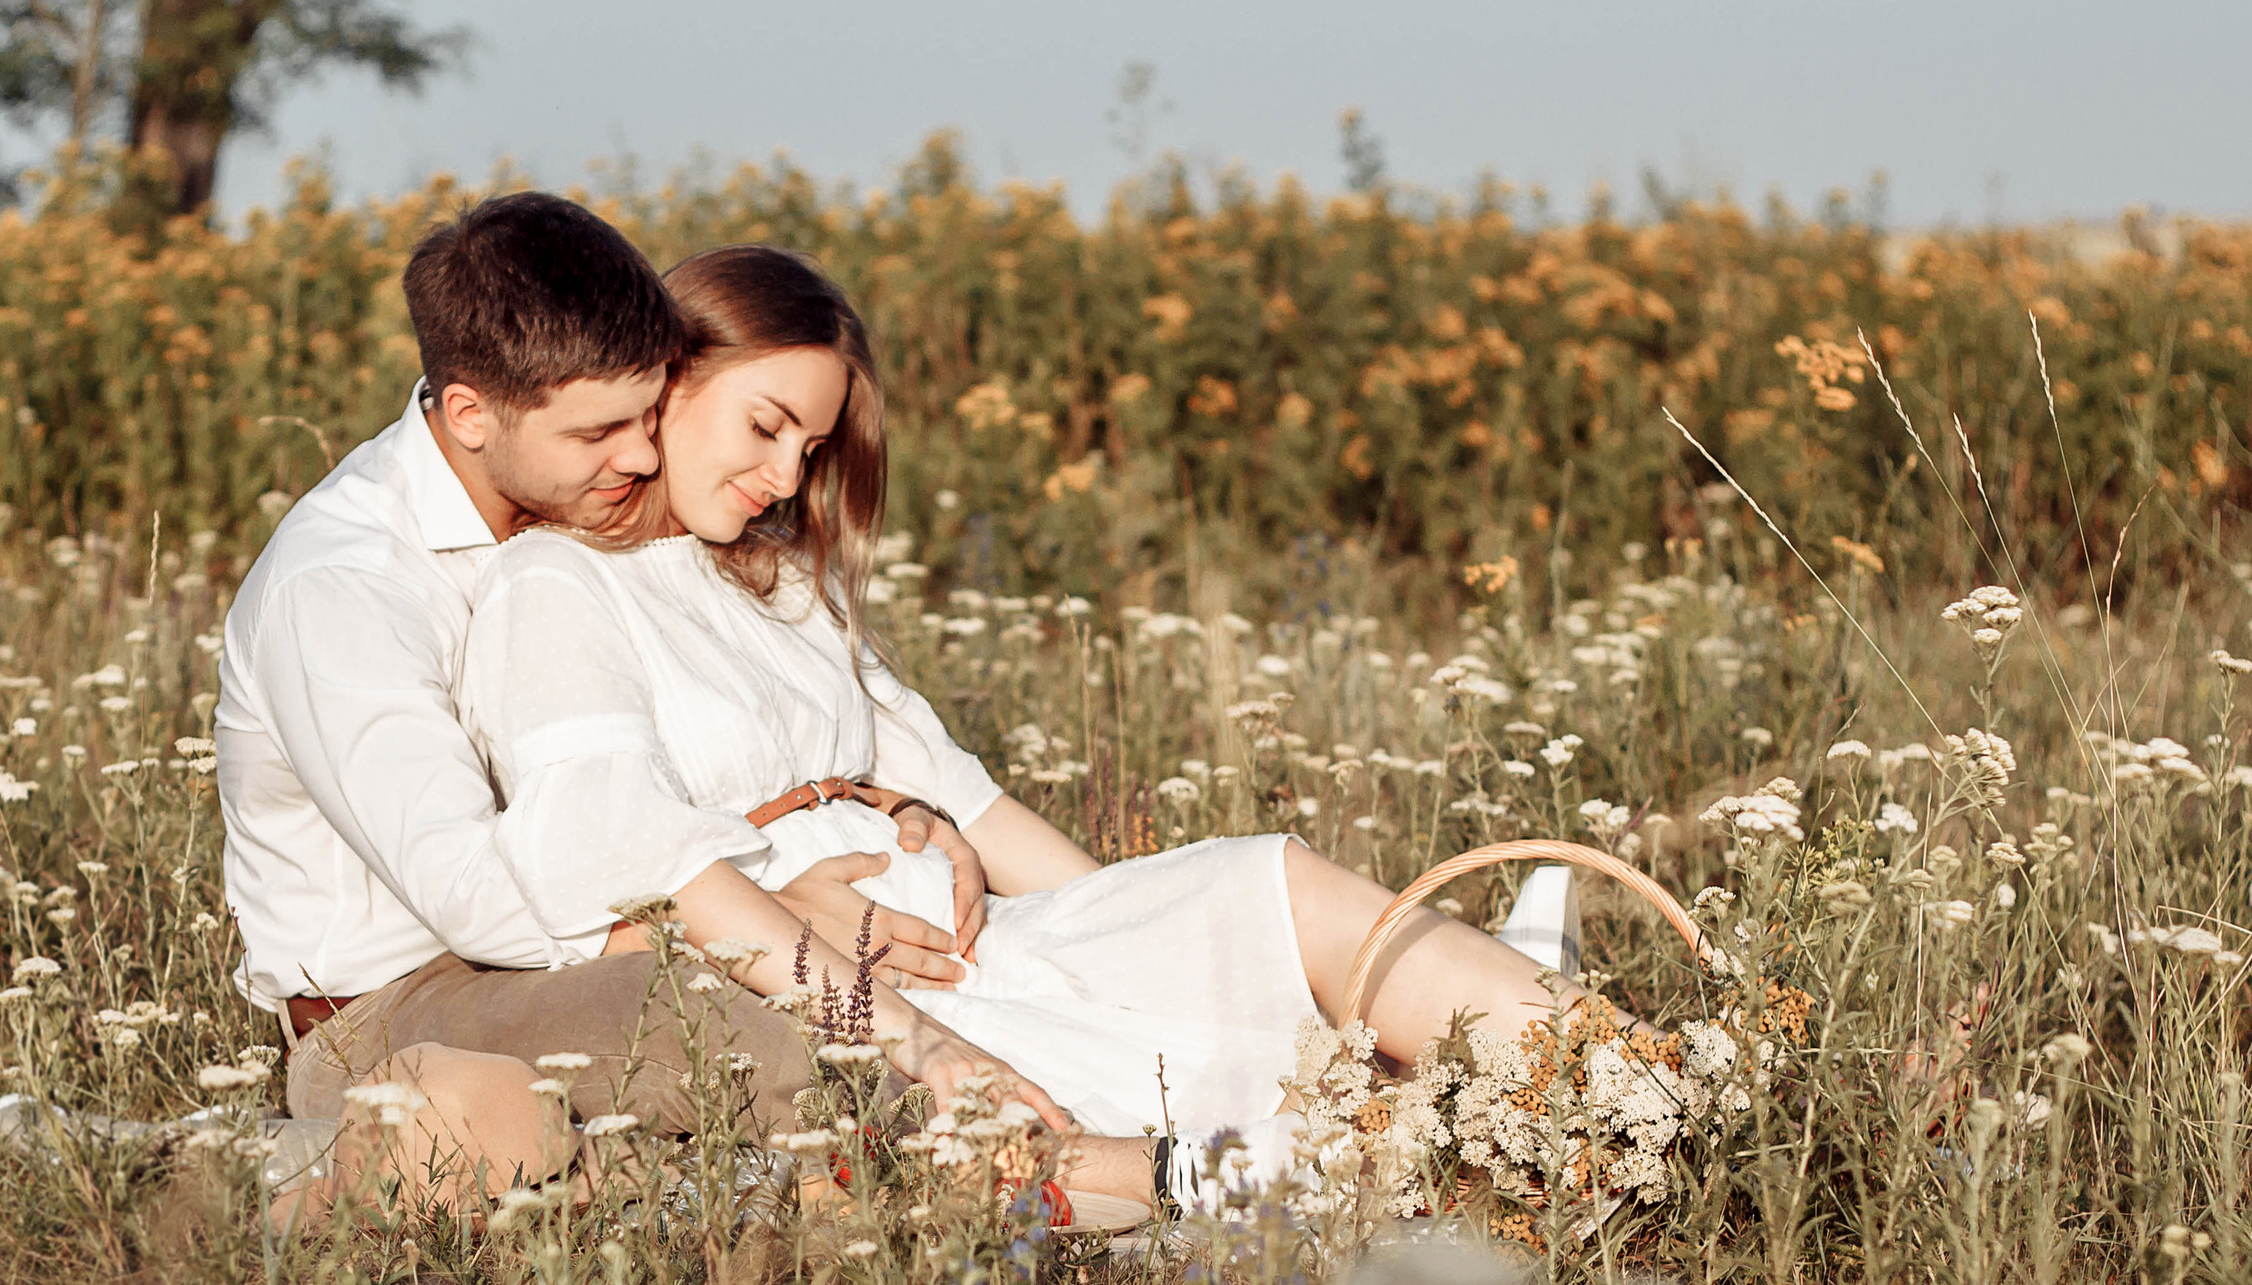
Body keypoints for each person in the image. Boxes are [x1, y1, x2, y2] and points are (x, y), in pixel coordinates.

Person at [458, 244, 1598, 1214]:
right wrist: (921, 1038)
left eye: (808, 451)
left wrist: (1141, 930)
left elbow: (972, 803)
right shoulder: (558, 586)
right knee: (1042, 1111)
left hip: (974, 942)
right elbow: (638, 865)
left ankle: (1603, 1064)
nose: (782, 475)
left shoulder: (784, 587)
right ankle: (1353, 1147)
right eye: (766, 427)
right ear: (668, 382)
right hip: (845, 995)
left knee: (1259, 883)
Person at [213, 195, 1032, 1210]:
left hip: (596, 947)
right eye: (601, 431)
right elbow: (475, 899)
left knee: (817, 1001)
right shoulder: (343, 590)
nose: (641, 457)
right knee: (746, 1030)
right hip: (408, 998)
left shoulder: (582, 511)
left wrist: (900, 819)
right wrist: (763, 908)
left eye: (648, 417)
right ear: (469, 415)